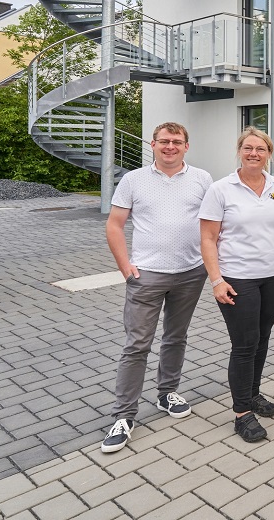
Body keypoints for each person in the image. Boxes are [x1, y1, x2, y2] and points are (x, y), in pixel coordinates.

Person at [101, 123, 213, 454]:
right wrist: (125, 267)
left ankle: (167, 393)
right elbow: (114, 225)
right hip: (146, 275)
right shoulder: (133, 180)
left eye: (176, 142)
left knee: (176, 337)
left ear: (186, 147)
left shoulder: (202, 179)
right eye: (164, 141)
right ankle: (124, 416)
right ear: (153, 144)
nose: (170, 147)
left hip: (191, 273)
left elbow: (213, 224)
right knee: (137, 345)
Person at [199, 127, 274, 443]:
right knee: (244, 344)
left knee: (262, 337)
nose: (254, 153)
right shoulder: (221, 189)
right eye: (248, 148)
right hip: (237, 278)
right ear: (239, 150)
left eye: (261, 149)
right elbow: (208, 238)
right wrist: (216, 281)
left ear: (269, 153)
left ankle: (253, 394)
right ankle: (242, 414)